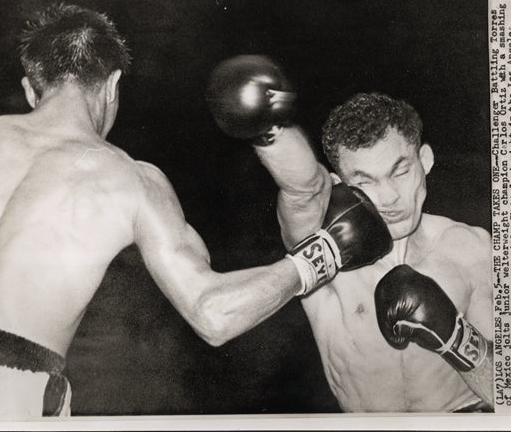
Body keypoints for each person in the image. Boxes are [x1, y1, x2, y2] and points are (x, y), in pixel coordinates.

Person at [0, 5, 391, 420]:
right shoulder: (131, 180)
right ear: (111, 86)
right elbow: (213, 313)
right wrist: (327, 253)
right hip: (12, 397)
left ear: (31, 89)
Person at [207, 57, 493, 413]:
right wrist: (270, 129)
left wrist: (453, 336)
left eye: (400, 172)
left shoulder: (473, 249)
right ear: (341, 184)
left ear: (426, 160)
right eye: (365, 181)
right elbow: (303, 189)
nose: (388, 197)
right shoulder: (324, 247)